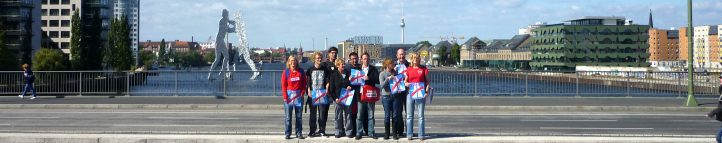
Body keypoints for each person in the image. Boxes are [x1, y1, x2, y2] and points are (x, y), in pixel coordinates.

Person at [404, 53, 430, 140]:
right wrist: (407, 84)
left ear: (419, 59)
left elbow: (427, 82)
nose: (416, 59)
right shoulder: (409, 69)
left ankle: (421, 135)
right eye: (414, 58)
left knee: (421, 116)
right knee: (409, 116)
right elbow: (405, 81)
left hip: (420, 94)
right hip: (410, 94)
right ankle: (409, 134)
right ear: (411, 59)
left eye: (417, 58)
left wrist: (426, 91)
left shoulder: (423, 69)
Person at [280, 55, 307, 139]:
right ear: (288, 62)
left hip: (298, 97)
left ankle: (299, 133)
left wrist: (302, 93)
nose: (293, 62)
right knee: (288, 117)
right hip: (288, 97)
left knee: (299, 117)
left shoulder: (301, 71)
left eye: (294, 60)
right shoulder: (286, 72)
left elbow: (304, 84)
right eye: (291, 60)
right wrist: (285, 97)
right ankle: (287, 133)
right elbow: (284, 86)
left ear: (297, 62)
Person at [356, 52, 379, 140]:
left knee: (371, 115)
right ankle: (359, 132)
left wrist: (369, 79)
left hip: (370, 95)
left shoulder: (373, 69)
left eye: (367, 58)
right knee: (359, 115)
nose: (366, 60)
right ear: (361, 60)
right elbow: (353, 82)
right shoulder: (357, 69)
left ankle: (371, 132)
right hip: (360, 95)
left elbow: (377, 80)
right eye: (364, 58)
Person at [305, 52, 329, 138]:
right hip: (313, 94)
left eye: (320, 58)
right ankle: (312, 131)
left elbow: (327, 80)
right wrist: (308, 90)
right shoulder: (310, 70)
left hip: (322, 93)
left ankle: (322, 130)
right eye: (317, 58)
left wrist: (327, 87)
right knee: (313, 114)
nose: (319, 59)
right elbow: (308, 82)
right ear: (314, 59)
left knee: (322, 113)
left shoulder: (324, 69)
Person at [328, 58, 351, 138]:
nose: (344, 65)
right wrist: (335, 98)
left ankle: (348, 131)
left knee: (348, 115)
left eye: (344, 64)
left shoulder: (347, 73)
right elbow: (331, 89)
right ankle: (338, 131)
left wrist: (349, 86)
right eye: (342, 64)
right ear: (338, 66)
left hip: (346, 97)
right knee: (338, 116)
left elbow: (350, 84)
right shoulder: (333, 75)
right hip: (337, 98)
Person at [379, 58, 400, 140]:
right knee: (387, 115)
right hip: (386, 96)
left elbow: (398, 83)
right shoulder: (382, 74)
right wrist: (388, 79)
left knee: (395, 115)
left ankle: (394, 133)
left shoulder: (395, 73)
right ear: (388, 65)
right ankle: (387, 133)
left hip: (394, 96)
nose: (394, 65)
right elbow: (381, 86)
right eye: (392, 64)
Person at [346, 52, 362, 138]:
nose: (354, 60)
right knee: (350, 112)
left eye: (356, 58)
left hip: (359, 92)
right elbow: (343, 81)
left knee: (359, 112)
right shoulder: (347, 68)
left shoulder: (360, 67)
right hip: (350, 92)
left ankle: (358, 131)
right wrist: (348, 81)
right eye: (353, 58)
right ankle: (351, 131)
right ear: (349, 59)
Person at [395, 48, 409, 137]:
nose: (401, 56)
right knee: (398, 113)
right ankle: (400, 131)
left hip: (407, 92)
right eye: (400, 54)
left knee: (408, 113)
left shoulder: (410, 65)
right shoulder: (393, 65)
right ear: (397, 56)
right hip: (398, 92)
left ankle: (409, 131)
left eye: (403, 54)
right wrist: (393, 71)